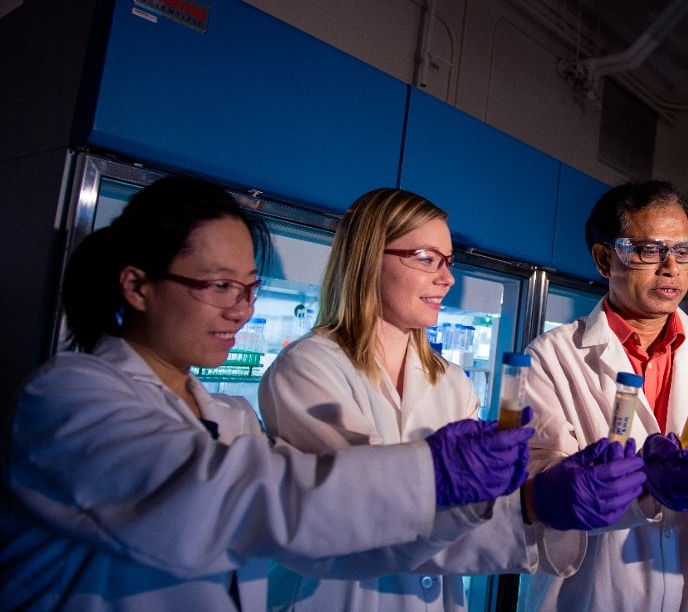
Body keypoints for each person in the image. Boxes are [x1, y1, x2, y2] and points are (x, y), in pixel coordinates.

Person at [0, 174, 538, 611]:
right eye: (219, 285)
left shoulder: (229, 416)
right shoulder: (68, 396)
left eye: (249, 287)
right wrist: (432, 473)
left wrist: (533, 508)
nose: (242, 309)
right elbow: (236, 500)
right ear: (138, 285)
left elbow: (327, 539)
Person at [258, 187, 646, 612]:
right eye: (426, 258)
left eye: (448, 261)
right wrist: (527, 503)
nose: (447, 278)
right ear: (368, 259)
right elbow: (354, 516)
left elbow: (470, 522)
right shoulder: (307, 369)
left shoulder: (452, 382)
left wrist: (533, 501)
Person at [519, 179, 688, 612]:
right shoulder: (551, 357)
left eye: (684, 250)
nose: (671, 267)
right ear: (604, 258)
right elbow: (530, 504)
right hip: (591, 596)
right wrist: (641, 490)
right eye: (649, 250)